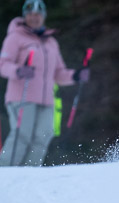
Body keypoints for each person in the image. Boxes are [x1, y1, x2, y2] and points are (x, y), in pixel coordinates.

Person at [0, 0, 90, 167]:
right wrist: (19, 70)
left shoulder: (51, 42)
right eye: (31, 14)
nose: (35, 18)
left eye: (38, 14)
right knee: (23, 134)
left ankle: (30, 174)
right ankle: (6, 172)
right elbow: (3, 64)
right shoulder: (15, 37)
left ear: (43, 16)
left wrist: (76, 76)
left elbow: (58, 73)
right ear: (25, 16)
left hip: (46, 100)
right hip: (21, 96)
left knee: (44, 134)